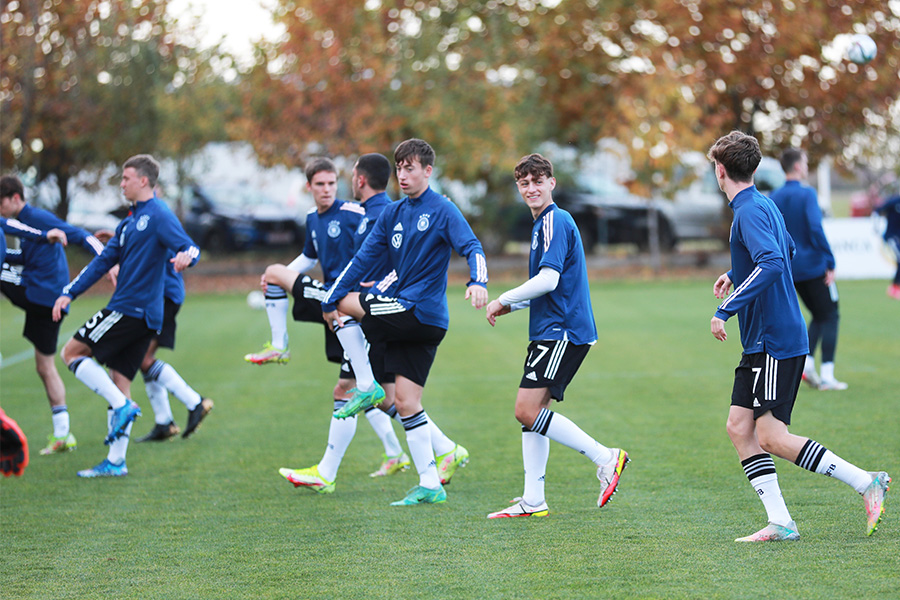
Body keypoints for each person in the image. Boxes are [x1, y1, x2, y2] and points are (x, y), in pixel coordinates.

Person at [708, 131, 890, 541]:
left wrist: (727, 308)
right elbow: (786, 250)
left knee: (771, 436)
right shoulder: (763, 204)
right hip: (763, 339)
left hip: (773, 338)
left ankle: (867, 482)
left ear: (721, 170)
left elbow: (773, 260)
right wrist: (736, 273)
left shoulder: (748, 211)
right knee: (739, 427)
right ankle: (781, 522)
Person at [320, 138, 489, 506]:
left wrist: (478, 282)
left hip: (418, 312)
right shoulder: (392, 213)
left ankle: (364, 384)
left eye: (411, 168)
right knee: (407, 403)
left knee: (345, 305)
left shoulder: (443, 209)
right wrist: (332, 293)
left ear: (428, 171)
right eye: (399, 168)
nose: (404, 175)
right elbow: (362, 260)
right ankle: (431, 483)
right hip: (410, 321)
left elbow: (472, 247)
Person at [240, 156, 405, 491]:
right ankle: (420, 450)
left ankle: (279, 346)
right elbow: (309, 256)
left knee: (351, 389)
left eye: (332, 183)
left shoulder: (357, 213)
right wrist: (286, 276)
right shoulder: (312, 219)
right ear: (309, 187)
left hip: (349, 306)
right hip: (335, 308)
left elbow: (382, 252)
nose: (327, 190)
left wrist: (282, 278)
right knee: (369, 391)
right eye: (320, 185)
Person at [483, 154, 629, 518]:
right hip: (556, 329)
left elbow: (549, 280)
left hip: (561, 331)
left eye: (537, 181)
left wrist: (503, 298)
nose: (531, 188)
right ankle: (533, 500)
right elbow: (553, 286)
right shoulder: (544, 225)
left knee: (526, 409)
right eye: (524, 183)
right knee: (532, 413)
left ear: (552, 183)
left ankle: (606, 457)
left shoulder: (554, 220)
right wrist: (512, 307)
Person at [52, 154, 200, 477]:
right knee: (120, 378)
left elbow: (190, 247)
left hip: (130, 309)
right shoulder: (129, 221)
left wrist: (187, 257)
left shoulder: (159, 214)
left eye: (125, 178)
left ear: (143, 181)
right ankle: (116, 461)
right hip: (143, 315)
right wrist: (69, 292)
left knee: (71, 352)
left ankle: (122, 407)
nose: (121, 184)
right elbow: (102, 263)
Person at [1, 175, 105, 456]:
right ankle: (62, 434)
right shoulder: (26, 224)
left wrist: (109, 262)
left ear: (14, 198)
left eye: (0, 203)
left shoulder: (37, 217)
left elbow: (81, 235)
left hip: (43, 295)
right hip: (43, 297)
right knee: (44, 366)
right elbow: (25, 258)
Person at [771, 148, 846, 390]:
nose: (806, 166)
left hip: (790, 269)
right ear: (797, 166)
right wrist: (830, 261)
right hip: (813, 266)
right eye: (804, 162)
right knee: (831, 314)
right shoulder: (807, 194)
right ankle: (827, 375)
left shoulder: (774, 195)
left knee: (818, 314)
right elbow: (815, 228)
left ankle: (808, 366)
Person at [134, 257, 213, 442]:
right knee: (143, 358)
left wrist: (188, 256)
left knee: (143, 358)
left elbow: (190, 248)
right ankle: (164, 423)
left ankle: (195, 402)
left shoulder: (160, 226)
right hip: (156, 296)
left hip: (163, 296)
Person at [874, 193, 900, 299]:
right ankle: (894, 288)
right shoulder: (894, 201)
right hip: (892, 236)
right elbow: (878, 210)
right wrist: (876, 227)